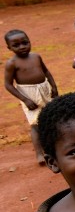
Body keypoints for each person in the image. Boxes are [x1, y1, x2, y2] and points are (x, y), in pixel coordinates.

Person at [4, 29, 58, 164]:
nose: (22, 47)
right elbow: (8, 85)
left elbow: (46, 71)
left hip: (45, 90)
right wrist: (25, 99)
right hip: (29, 95)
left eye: (25, 43)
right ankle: (39, 153)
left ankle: (54, 146)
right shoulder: (12, 64)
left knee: (52, 117)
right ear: (9, 47)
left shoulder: (36, 56)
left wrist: (54, 87)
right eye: (16, 45)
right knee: (35, 124)